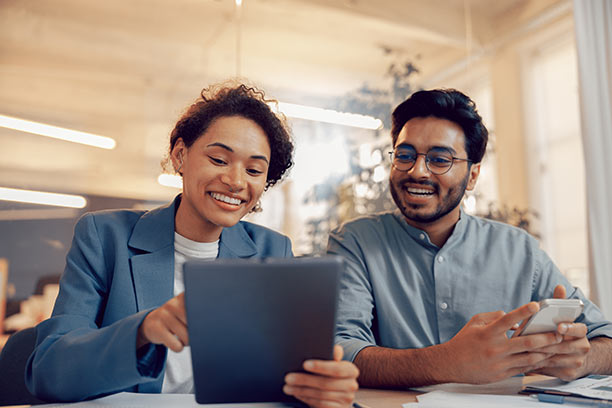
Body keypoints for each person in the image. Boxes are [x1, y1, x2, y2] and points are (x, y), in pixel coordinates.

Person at [26, 83, 359, 406]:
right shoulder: (104, 236)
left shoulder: (273, 251)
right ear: (180, 155)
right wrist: (143, 331)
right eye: (218, 160)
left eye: (255, 169)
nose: (236, 181)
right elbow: (49, 371)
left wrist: (321, 386)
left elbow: (280, 381)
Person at [328, 89, 612, 388]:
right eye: (405, 155)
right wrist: (446, 362)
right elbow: (339, 351)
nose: (417, 171)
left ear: (473, 176)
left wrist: (581, 359)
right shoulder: (355, 241)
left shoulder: (519, 250)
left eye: (439, 159)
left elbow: (605, 341)